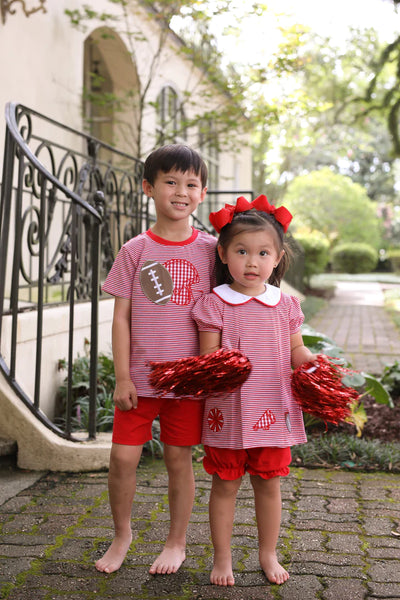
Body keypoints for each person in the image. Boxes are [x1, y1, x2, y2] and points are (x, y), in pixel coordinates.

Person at [95, 144, 216, 576]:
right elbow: (122, 319)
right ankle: (122, 534)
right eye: (170, 182)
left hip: (188, 384)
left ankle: (177, 541)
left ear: (202, 193)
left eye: (191, 184)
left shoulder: (212, 251)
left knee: (178, 461)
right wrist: (122, 376)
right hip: (140, 383)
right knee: (122, 460)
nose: (180, 191)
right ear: (149, 188)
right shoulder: (135, 250)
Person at [191, 195, 317, 587]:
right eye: (242, 251)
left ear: (277, 258)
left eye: (263, 253)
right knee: (226, 484)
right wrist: (222, 367)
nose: (252, 261)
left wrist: (312, 363)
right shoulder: (215, 304)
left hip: (274, 409)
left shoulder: (285, 305)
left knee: (268, 483)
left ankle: (268, 553)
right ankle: (222, 557)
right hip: (229, 412)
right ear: (224, 254)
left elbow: (296, 348)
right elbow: (207, 357)